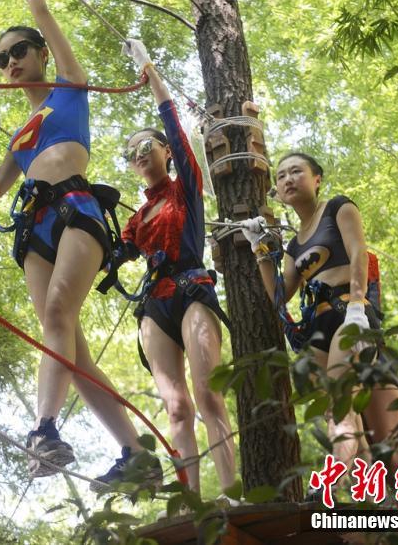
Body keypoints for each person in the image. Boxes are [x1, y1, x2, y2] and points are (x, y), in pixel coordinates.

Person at [0, 0, 158, 491]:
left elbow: (44, 13)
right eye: (1, 59)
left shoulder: (69, 87)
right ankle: (135, 455)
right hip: (35, 227)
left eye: (19, 51)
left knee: (57, 318)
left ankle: (43, 430)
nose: (10, 63)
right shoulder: (20, 136)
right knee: (68, 347)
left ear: (42, 54)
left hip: (76, 209)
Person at [114, 39, 237, 495]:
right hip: (154, 305)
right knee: (176, 408)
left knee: (207, 394)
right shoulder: (136, 218)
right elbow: (112, 254)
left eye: (146, 145)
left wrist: (149, 69)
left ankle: (231, 493)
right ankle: (191, 503)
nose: (139, 153)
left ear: (166, 151)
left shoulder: (185, 186)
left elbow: (174, 124)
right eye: (131, 152)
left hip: (191, 288)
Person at [240, 153, 398, 489]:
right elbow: (280, 296)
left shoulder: (338, 208)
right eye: (281, 175)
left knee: (346, 408)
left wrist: (358, 305)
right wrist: (259, 249)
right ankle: (367, 505)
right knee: (341, 414)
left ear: (317, 179)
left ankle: (331, 478)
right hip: (318, 329)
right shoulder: (293, 246)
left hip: (350, 313)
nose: (288, 179)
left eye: (296, 171)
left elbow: (358, 253)